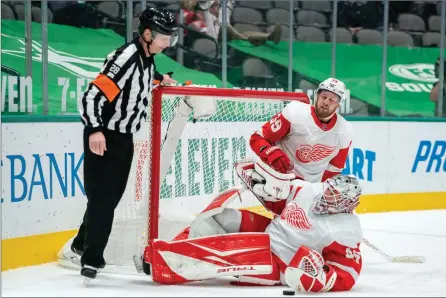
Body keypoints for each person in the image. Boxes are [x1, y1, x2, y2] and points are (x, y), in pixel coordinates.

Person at [65, 7, 178, 280]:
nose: (168, 42)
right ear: (148, 34)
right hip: (105, 135)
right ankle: (92, 260)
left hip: (123, 137)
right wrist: (94, 130)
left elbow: (142, 78)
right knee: (103, 199)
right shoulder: (127, 58)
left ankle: (80, 244)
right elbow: (93, 96)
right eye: (164, 36)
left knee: (109, 198)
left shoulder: (146, 58)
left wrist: (162, 79)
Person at [145, 159, 363, 293]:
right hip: (268, 230)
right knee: (223, 217)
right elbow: (278, 200)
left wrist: (323, 278)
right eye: (329, 191)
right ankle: (173, 246)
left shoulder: (347, 230)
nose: (327, 197)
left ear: (346, 204)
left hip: (278, 264)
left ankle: (166, 265)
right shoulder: (308, 190)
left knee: (228, 252)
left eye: (334, 197)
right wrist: (266, 186)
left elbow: (348, 273)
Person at [249, 77, 352, 198]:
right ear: (317, 96)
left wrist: (322, 193)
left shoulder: (345, 131)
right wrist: (268, 151)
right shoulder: (295, 113)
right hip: (280, 180)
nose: (326, 102)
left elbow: (334, 169)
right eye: (324, 97)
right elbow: (257, 138)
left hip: (309, 192)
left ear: (338, 105)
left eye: (332, 100)